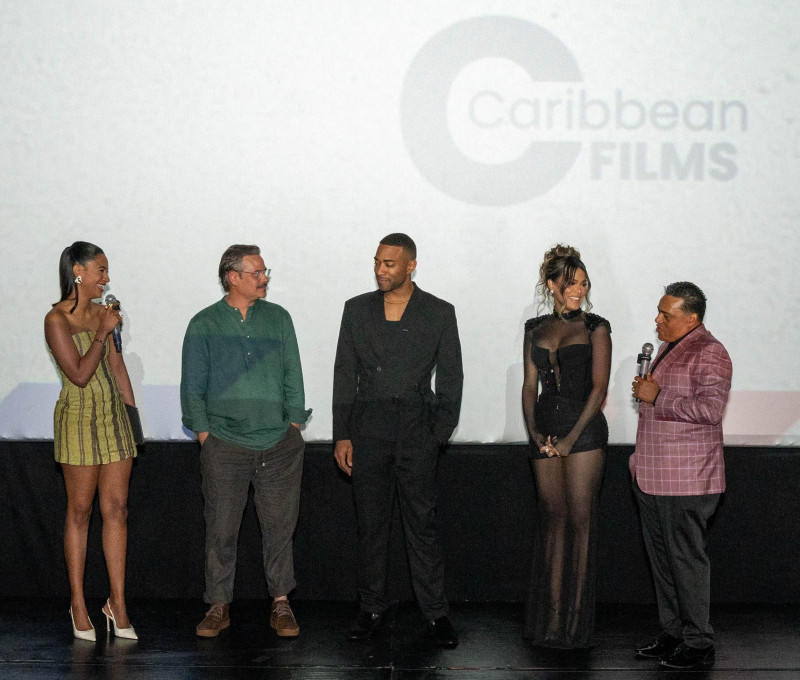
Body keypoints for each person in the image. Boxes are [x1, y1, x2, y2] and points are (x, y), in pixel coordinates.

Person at [333, 233, 463, 648]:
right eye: (377, 262)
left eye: (389, 263)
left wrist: (438, 433)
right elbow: (343, 374)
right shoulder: (356, 309)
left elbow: (452, 376)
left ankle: (435, 613)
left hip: (415, 428)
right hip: (368, 427)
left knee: (421, 524)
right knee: (371, 525)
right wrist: (342, 434)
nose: (380, 269)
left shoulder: (439, 312)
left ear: (411, 266)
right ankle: (372, 608)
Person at [180, 245, 311, 638]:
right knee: (221, 530)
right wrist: (205, 435)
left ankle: (282, 604)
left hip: (278, 443)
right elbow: (193, 386)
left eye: (264, 271)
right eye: (256, 272)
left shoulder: (279, 318)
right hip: (224, 444)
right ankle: (218, 605)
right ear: (232, 277)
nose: (264, 278)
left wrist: (293, 424)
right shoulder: (203, 323)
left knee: (279, 529)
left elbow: (293, 374)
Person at [631, 282, 732, 671]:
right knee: (663, 563)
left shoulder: (710, 352)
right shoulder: (667, 348)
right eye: (658, 312)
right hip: (652, 475)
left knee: (686, 562)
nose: (657, 320)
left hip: (687, 479)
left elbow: (710, 410)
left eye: (665, 315)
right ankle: (674, 633)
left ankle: (699, 642)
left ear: (691, 318)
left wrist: (658, 397)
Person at [44, 241, 139, 642]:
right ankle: (78, 603)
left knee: (116, 510)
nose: (106, 277)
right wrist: (101, 332)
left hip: (113, 418)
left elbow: (116, 369)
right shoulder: (55, 320)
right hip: (78, 420)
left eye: (107, 270)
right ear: (78, 271)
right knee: (80, 511)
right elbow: (80, 375)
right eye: (100, 270)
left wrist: (134, 421)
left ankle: (116, 603)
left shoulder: (107, 314)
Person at [521, 245, 611, 649]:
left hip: (585, 432)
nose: (579, 289)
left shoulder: (597, 327)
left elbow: (600, 388)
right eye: (571, 282)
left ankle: (575, 625)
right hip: (546, 431)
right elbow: (529, 387)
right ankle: (551, 620)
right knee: (552, 522)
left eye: (583, 282)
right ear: (552, 284)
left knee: (580, 522)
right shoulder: (534, 328)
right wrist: (535, 434)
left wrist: (572, 438)